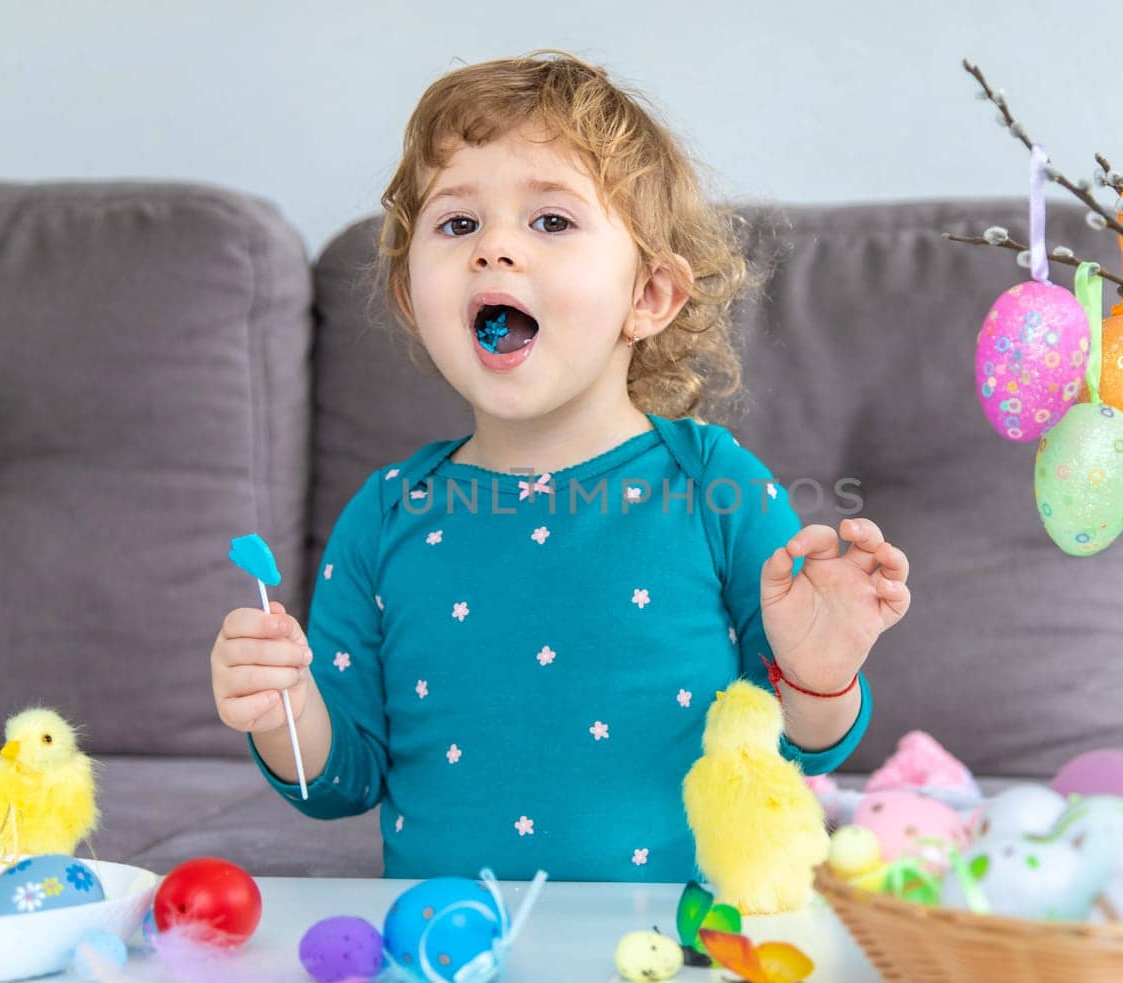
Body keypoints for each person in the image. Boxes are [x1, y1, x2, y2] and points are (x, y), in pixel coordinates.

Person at [209, 51, 911, 881]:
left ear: (648, 296)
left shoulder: (717, 488)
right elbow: (342, 781)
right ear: (411, 296)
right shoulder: (385, 517)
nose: (494, 248)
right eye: (458, 224)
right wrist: (281, 708)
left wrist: (822, 675)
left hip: (678, 945)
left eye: (550, 221)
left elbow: (804, 746)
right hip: (456, 948)